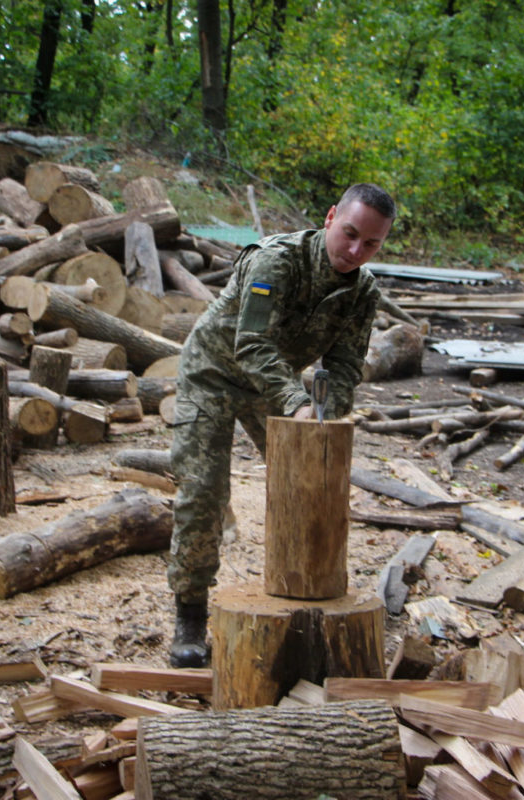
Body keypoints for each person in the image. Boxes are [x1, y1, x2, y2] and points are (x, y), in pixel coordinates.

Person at [167, 182, 397, 667]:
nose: (356, 251)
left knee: (312, 481)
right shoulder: (279, 261)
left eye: (371, 244)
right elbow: (250, 345)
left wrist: (324, 420)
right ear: (332, 217)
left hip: (271, 387)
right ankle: (190, 612)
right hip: (213, 373)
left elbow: (345, 367)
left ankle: (304, 591)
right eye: (350, 234)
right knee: (204, 491)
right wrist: (296, 402)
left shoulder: (363, 293)